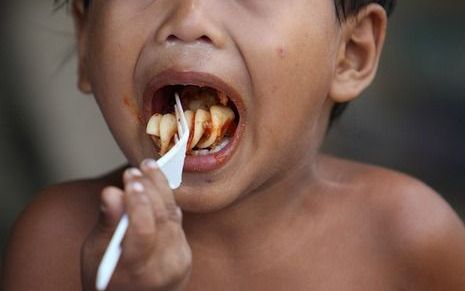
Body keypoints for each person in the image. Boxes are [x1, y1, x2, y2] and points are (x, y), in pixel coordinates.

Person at [3, 0, 465, 290]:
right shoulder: (58, 244)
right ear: (86, 41)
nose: (188, 19)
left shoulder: (410, 241)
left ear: (349, 53)